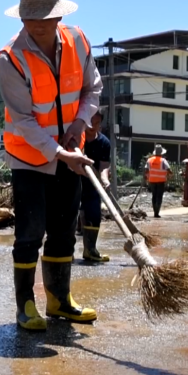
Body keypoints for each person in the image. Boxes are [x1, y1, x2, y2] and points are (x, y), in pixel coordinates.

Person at [0, 0, 102, 331]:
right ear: (22, 18)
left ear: (59, 16)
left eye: (46, 18)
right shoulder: (11, 58)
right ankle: (25, 305)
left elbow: (92, 90)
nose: (38, 25)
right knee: (30, 231)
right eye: (31, 19)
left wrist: (78, 125)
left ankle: (59, 300)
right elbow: (23, 119)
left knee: (64, 230)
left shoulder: (79, 41)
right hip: (29, 159)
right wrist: (59, 151)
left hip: (70, 152)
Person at [80, 111, 111, 262]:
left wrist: (104, 179)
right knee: (70, 215)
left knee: (94, 215)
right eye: (90, 122)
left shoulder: (104, 143)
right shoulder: (77, 138)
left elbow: (104, 165)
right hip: (75, 180)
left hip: (93, 184)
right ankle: (65, 252)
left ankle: (90, 250)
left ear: (100, 124)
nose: (92, 126)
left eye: (96, 123)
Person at [144, 145, 171, 218]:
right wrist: (170, 175)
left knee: (154, 196)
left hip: (152, 181)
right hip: (161, 181)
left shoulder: (149, 160)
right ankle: (156, 213)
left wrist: (146, 177)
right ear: (161, 153)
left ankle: (154, 212)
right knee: (159, 197)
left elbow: (146, 170)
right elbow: (168, 169)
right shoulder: (163, 160)